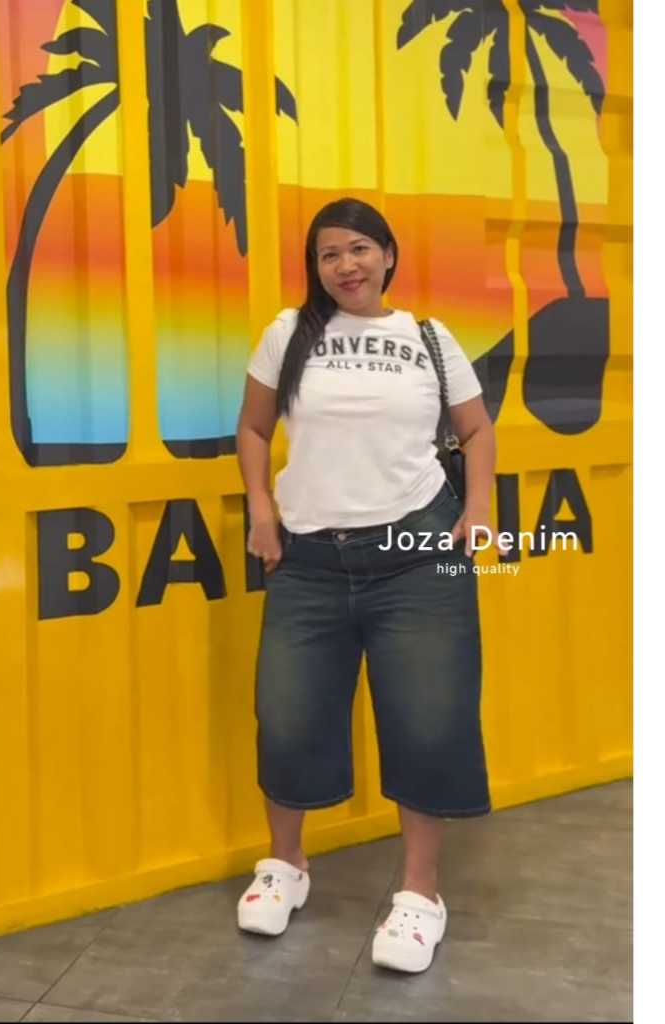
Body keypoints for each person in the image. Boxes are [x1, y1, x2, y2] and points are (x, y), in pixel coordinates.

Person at [234, 197, 507, 974]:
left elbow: (476, 429)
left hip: (417, 556)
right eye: (329, 254)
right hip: (309, 561)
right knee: (287, 717)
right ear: (315, 267)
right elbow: (253, 428)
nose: (345, 265)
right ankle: (286, 866)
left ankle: (419, 895)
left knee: (428, 721)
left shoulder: (429, 338)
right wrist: (261, 508)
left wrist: (477, 511)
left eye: (359, 249)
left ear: (387, 254)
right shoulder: (289, 334)